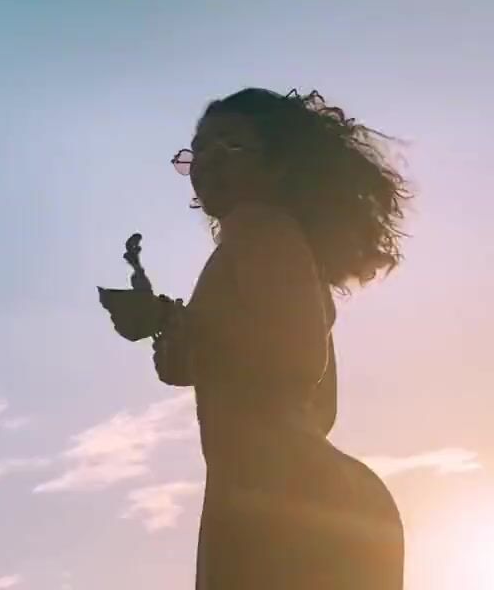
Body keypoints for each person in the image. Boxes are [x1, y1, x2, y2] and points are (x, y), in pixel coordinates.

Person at [99, 88, 407, 589]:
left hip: (280, 495)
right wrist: (175, 330)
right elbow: (306, 397)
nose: (207, 161)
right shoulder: (276, 246)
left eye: (230, 145)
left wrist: (176, 324)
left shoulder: (260, 227)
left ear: (280, 162)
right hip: (296, 490)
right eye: (199, 149)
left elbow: (295, 357)